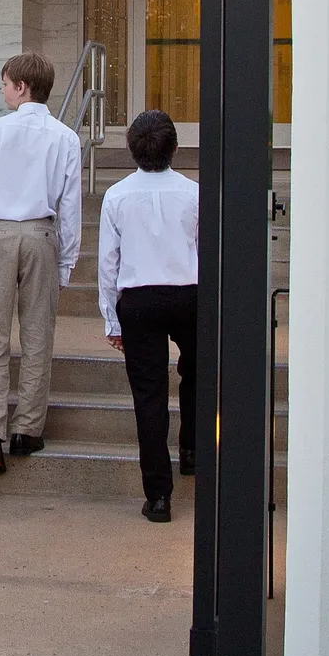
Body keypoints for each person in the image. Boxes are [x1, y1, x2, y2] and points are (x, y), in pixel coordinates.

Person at [0, 51, 82, 475]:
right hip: (42, 234)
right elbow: (71, 208)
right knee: (37, 334)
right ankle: (27, 428)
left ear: (22, 87)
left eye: (6, 83)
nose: (3, 90)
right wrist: (67, 264)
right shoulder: (65, 137)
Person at [98, 109, 199, 523]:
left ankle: (158, 495)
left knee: (149, 396)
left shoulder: (117, 195)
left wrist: (112, 318)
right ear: (175, 147)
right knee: (197, 373)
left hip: (139, 299)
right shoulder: (194, 193)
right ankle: (192, 448)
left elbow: (108, 262)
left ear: (130, 149)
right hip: (189, 295)